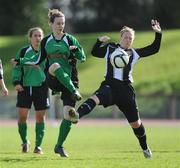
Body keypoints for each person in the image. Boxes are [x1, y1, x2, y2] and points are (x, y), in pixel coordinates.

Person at [77, 19, 162, 159]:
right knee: (95, 98)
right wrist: (99, 41)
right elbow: (94, 52)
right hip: (109, 85)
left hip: (125, 90)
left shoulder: (134, 53)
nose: (128, 40)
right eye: (125, 37)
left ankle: (145, 148)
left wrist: (158, 34)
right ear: (120, 37)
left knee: (136, 124)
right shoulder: (110, 49)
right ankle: (77, 116)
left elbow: (154, 49)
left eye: (130, 38)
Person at [12, 9, 86, 157]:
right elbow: (38, 60)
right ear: (51, 24)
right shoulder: (46, 41)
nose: (61, 26)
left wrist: (76, 51)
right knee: (55, 66)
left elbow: (82, 57)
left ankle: (59, 146)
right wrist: (20, 61)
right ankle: (74, 91)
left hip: (71, 78)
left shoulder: (70, 39)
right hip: (53, 78)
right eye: (58, 23)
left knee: (68, 115)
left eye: (63, 23)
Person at [12, 27, 49, 154]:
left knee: (40, 117)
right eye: (35, 36)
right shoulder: (23, 51)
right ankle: (24, 141)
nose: (38, 38)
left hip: (41, 87)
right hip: (25, 88)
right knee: (22, 117)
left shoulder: (45, 51)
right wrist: (16, 82)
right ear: (30, 38)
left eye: (40, 36)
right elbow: (16, 67)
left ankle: (38, 146)